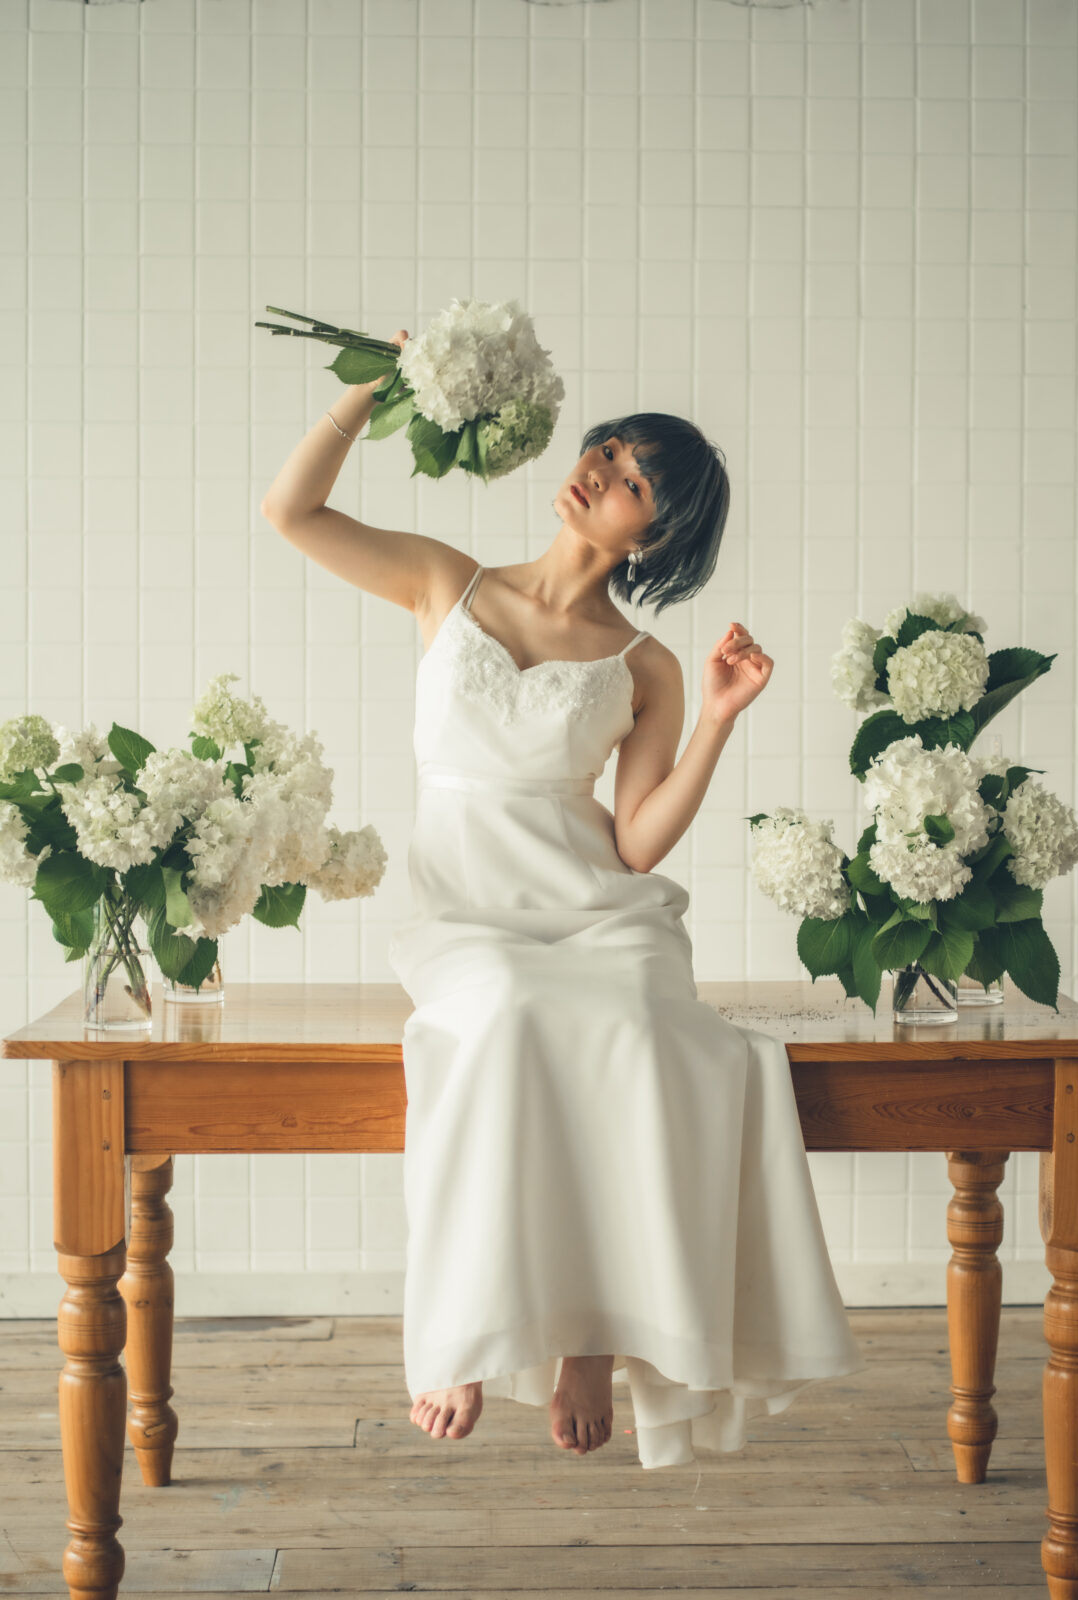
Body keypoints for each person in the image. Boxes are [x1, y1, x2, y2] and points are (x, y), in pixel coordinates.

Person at [260, 331, 866, 1470]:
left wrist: (723, 719)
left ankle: (593, 1336)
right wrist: (361, 395)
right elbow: (291, 513)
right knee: (500, 1013)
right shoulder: (451, 582)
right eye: (612, 448)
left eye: (635, 480)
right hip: (472, 916)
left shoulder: (647, 665)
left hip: (594, 910)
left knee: (641, 1022)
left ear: (659, 532)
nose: (602, 467)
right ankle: (463, 1332)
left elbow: (635, 842)